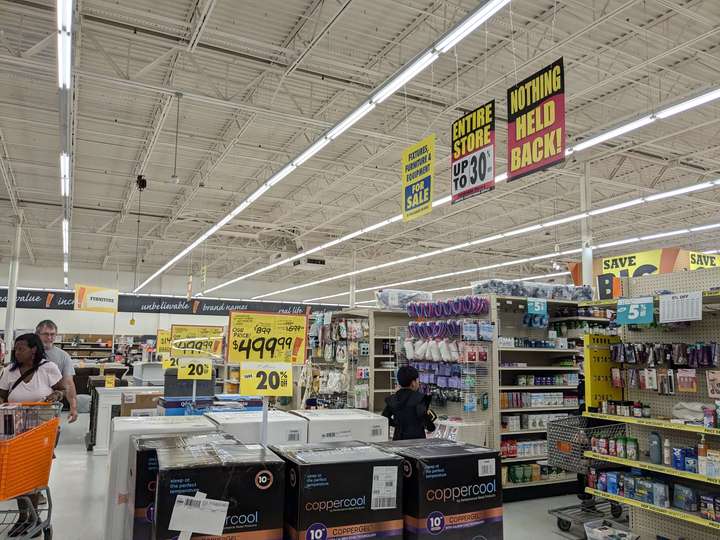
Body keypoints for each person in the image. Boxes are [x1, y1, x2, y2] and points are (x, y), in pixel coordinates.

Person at [0, 333, 65, 538]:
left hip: (41, 430)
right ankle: (25, 516)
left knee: (35, 473)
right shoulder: (9, 371)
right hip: (14, 430)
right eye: (15, 349)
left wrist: (55, 396)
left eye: (21, 348)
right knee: (17, 475)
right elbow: (1, 395)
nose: (16, 352)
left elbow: (61, 391)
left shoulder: (48, 369)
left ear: (33, 349)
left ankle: (31, 517)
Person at [36, 320, 78, 422]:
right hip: (23, 406)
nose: (49, 338)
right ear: (37, 334)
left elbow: (68, 383)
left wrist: (73, 407)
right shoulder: (26, 352)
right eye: (46, 334)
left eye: (52, 334)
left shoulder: (63, 356)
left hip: (48, 407)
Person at [382, 365, 436, 440]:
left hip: (398, 440)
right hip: (417, 441)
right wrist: (431, 427)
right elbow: (424, 418)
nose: (418, 382)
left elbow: (385, 417)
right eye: (417, 380)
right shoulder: (419, 398)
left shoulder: (393, 399)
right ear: (413, 383)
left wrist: (397, 424)